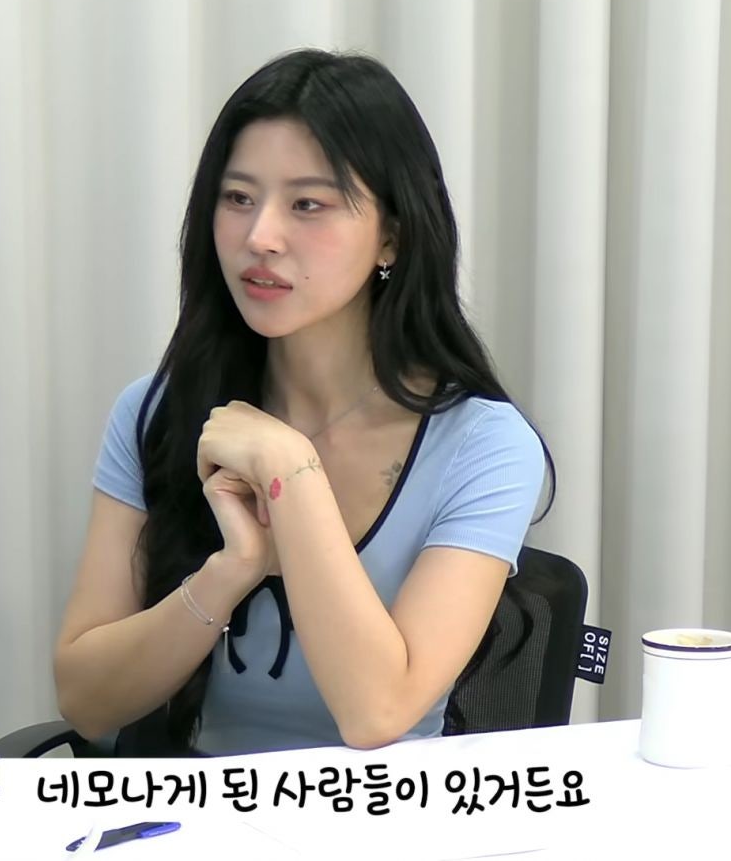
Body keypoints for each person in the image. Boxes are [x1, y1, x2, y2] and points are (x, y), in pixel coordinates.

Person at [53, 48, 555, 757]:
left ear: (391, 235)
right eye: (238, 198)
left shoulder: (485, 446)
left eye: (308, 204)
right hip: (201, 809)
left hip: (384, 812)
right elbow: (86, 700)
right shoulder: (157, 412)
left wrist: (290, 470)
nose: (260, 237)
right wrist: (230, 572)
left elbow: (378, 714)